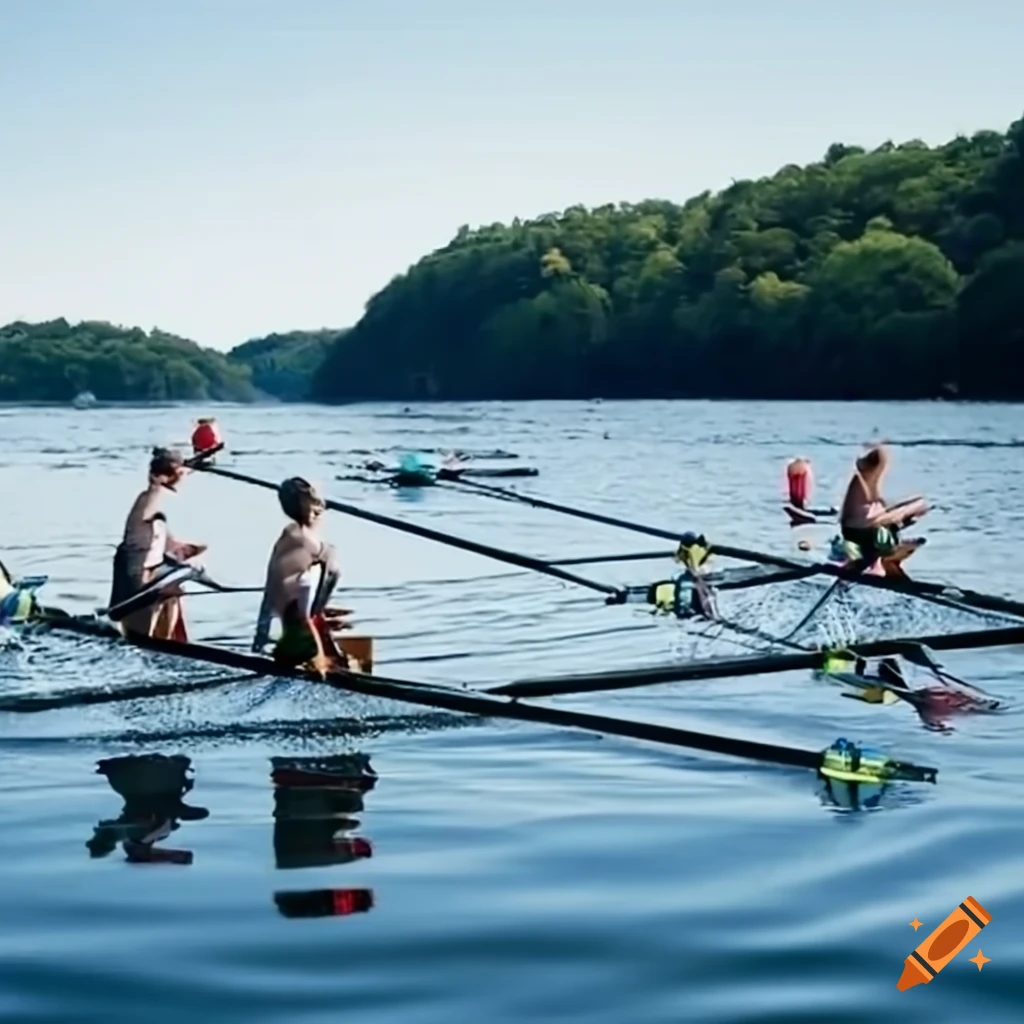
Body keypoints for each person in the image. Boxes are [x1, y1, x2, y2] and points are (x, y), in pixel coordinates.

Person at [109, 447, 206, 640]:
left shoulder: (159, 505)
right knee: (140, 638)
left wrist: (187, 549)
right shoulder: (148, 499)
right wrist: (156, 485)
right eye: (180, 473)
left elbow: (166, 541)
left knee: (175, 592)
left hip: (154, 576)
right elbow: (139, 534)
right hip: (136, 582)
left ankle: (170, 642)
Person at [253, 477, 347, 674]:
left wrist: (258, 643)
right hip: (301, 625)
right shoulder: (305, 541)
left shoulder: (294, 539)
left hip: (305, 609)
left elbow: (271, 597)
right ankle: (328, 661)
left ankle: (326, 660)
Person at [839, 445, 927, 571]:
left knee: (914, 533)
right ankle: (885, 559)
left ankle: (890, 562)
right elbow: (864, 521)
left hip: (869, 534)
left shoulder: (871, 483)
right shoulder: (859, 483)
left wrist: (906, 511)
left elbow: (880, 513)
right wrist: (903, 512)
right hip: (861, 537)